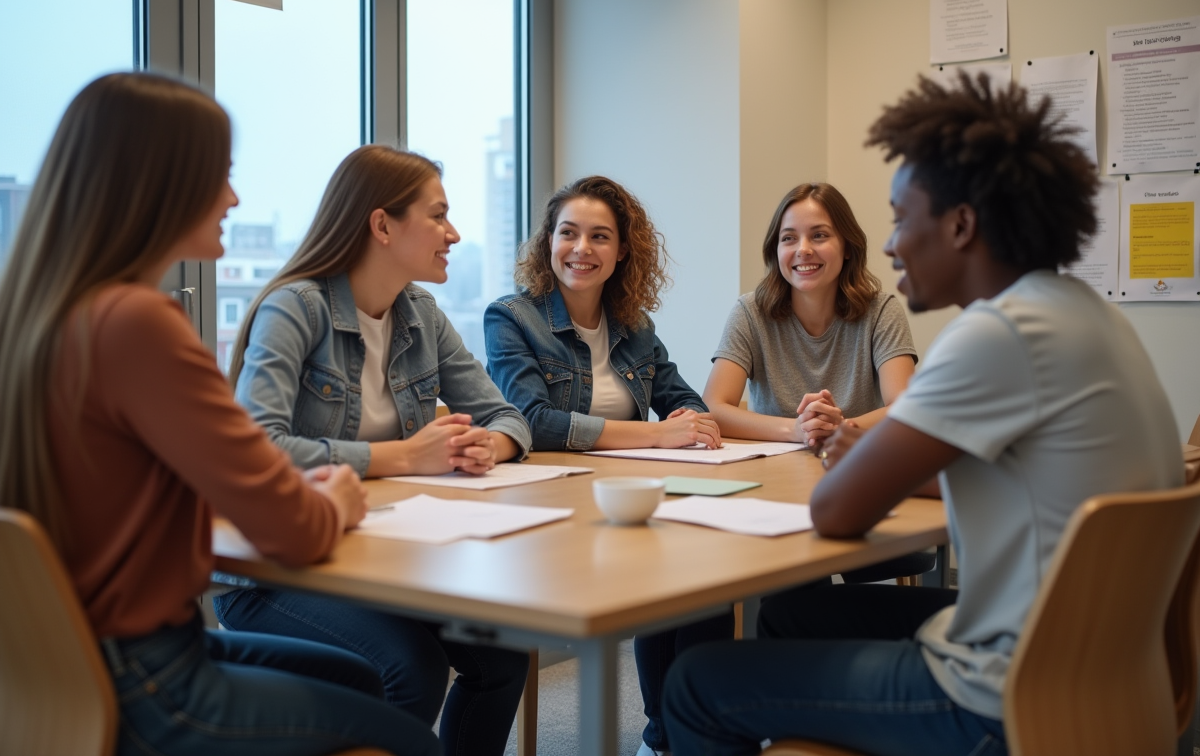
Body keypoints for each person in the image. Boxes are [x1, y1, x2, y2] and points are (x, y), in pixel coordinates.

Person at [662, 73, 1184, 755]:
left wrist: (857, 457)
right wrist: (874, 456)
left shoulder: (999, 333)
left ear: (961, 226)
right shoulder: (1087, 316)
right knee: (795, 610)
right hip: (1102, 665)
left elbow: (837, 512)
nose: (890, 244)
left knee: (696, 681)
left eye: (903, 218)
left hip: (1004, 696)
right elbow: (987, 476)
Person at [0, 72, 437, 756]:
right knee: (413, 739)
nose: (233, 197)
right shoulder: (139, 323)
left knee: (360, 677)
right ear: (159, 184)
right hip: (146, 676)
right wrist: (339, 500)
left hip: (59, 657)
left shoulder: (37, 316)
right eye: (220, 176)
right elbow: (293, 531)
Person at [213, 144, 533, 756]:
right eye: (438, 215)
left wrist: (480, 446)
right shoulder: (295, 307)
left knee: (500, 656)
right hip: (275, 567)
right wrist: (406, 458)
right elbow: (258, 448)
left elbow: (508, 417)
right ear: (382, 225)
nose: (454, 233)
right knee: (408, 671)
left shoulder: (422, 312)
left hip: (382, 551)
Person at [484, 175, 730, 756]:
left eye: (600, 237)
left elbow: (684, 400)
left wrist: (692, 424)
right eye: (568, 233)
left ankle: (675, 736)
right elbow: (533, 420)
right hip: (550, 506)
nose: (581, 249)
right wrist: (655, 435)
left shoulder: (635, 326)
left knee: (707, 580)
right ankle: (664, 733)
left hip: (629, 496)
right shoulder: (511, 317)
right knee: (669, 574)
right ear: (548, 242)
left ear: (622, 252)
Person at [703, 182, 916, 449]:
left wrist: (842, 428)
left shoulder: (882, 311)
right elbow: (713, 407)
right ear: (776, 250)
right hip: (772, 468)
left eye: (819, 235)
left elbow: (906, 408)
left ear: (848, 247)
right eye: (789, 238)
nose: (803, 249)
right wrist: (795, 429)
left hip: (853, 462)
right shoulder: (749, 313)